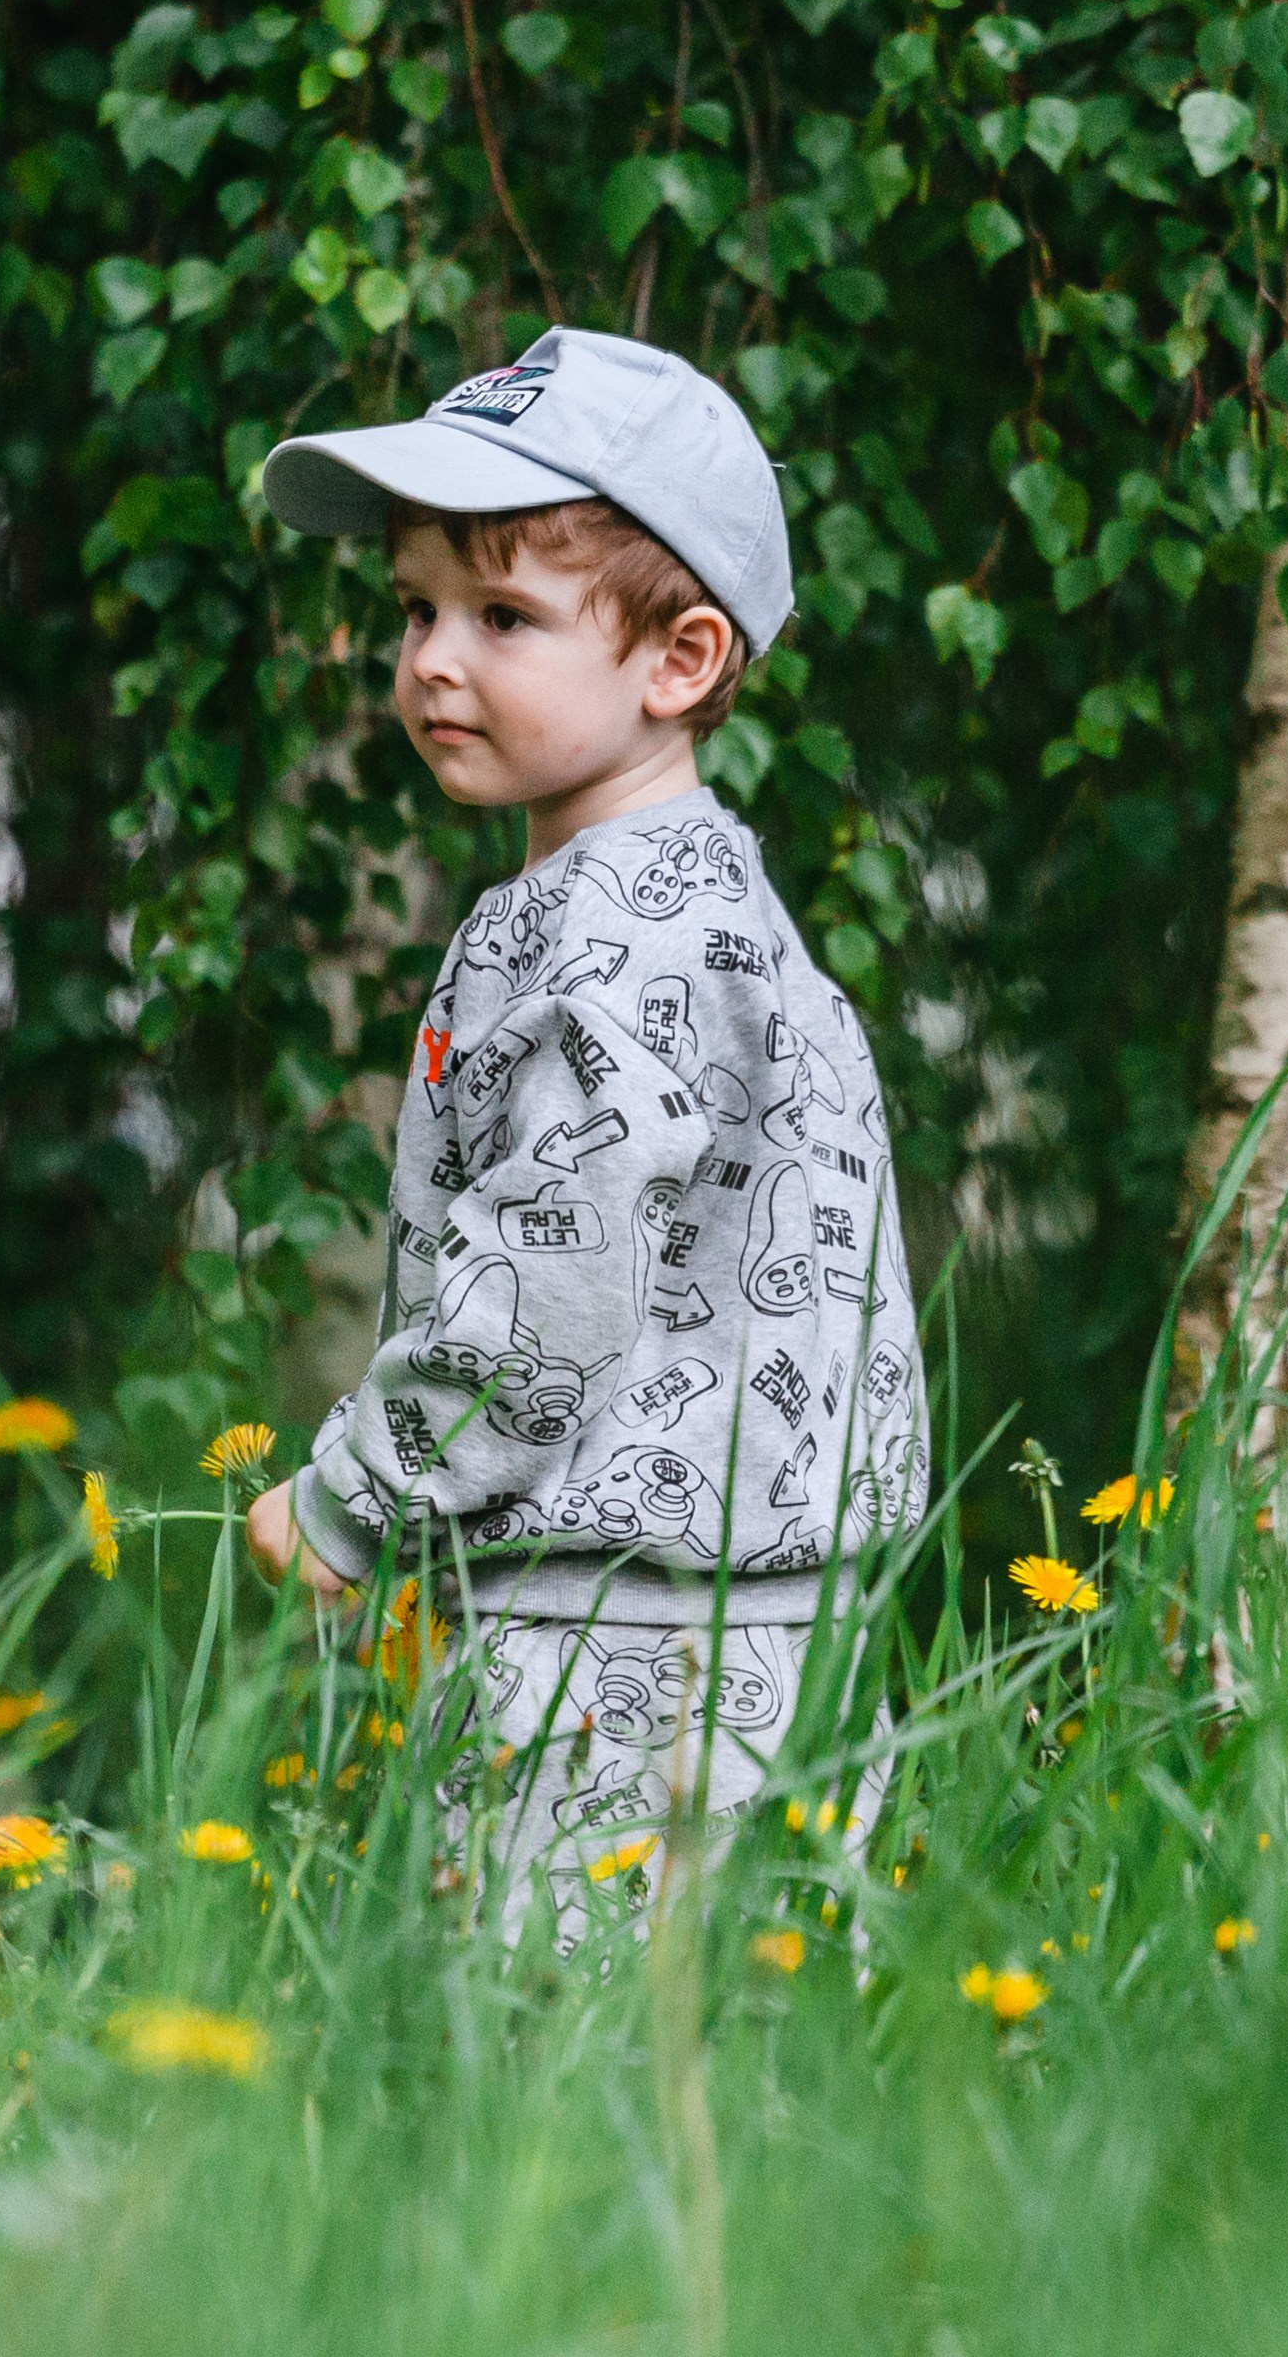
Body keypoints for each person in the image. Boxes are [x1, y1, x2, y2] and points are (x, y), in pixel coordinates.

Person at [244, 326, 927, 1934]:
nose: (430, 657)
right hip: (800, 1638)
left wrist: (354, 1496)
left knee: (565, 2063)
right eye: (414, 607)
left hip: (614, 1647)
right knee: (754, 2056)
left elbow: (555, 1267)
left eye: (502, 615)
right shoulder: (729, 918)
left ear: (678, 659)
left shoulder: (602, 940)